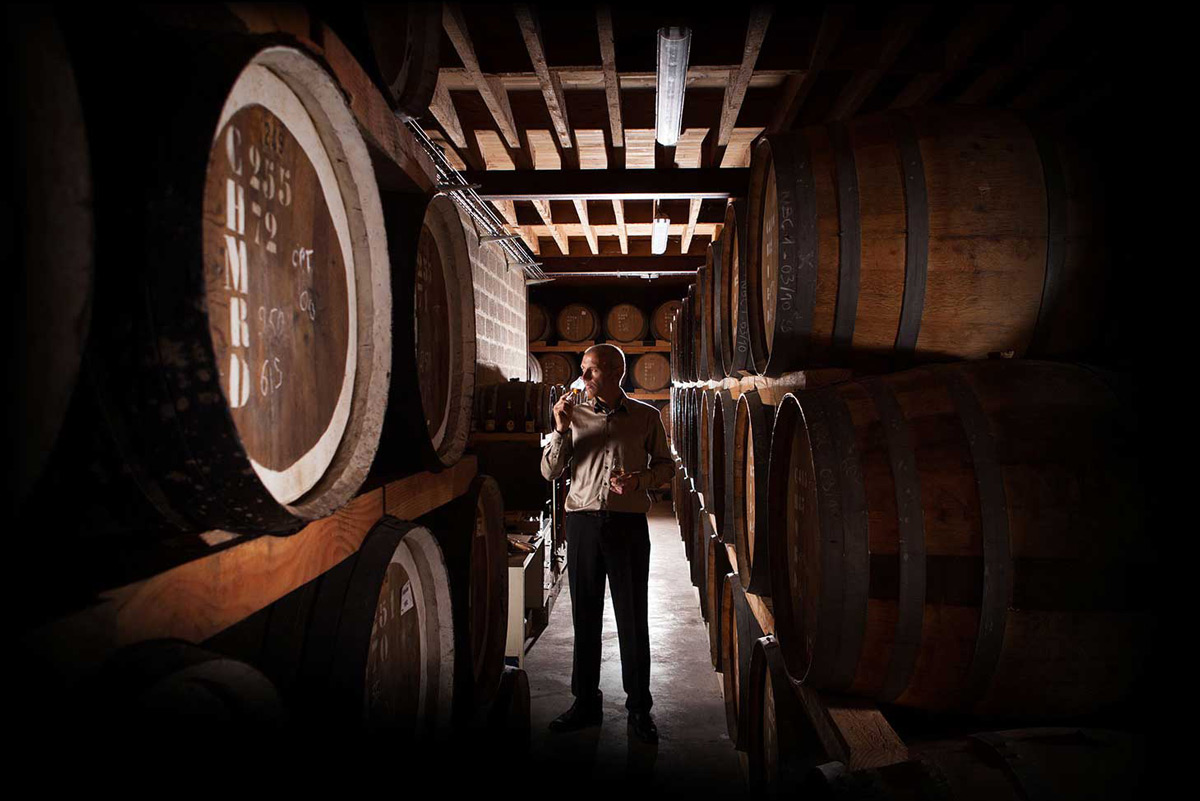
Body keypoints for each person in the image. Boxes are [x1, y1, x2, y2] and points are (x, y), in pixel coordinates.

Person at [540, 344, 675, 744]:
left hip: (627, 525)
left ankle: (639, 708)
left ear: (616, 371)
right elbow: (549, 470)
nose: (583, 378)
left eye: (592, 370)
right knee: (585, 616)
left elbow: (666, 467)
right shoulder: (573, 415)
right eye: (582, 370)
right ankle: (585, 702)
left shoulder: (646, 417)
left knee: (632, 617)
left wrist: (638, 482)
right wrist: (561, 429)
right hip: (582, 523)